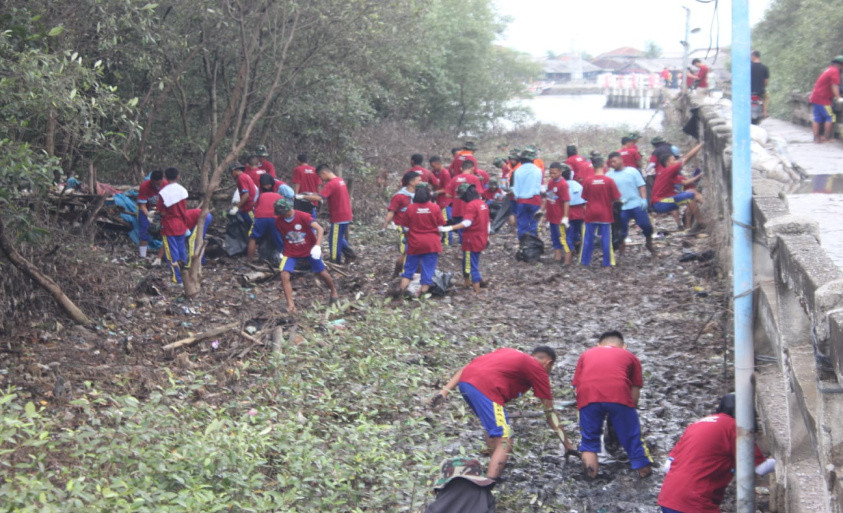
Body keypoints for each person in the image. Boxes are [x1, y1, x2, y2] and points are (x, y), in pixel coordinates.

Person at [433, 346, 577, 480]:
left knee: (493, 429)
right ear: (548, 363)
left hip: (466, 383)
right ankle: (489, 483)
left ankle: (492, 465)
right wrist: (567, 444)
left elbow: (467, 367)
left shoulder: (508, 352)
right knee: (505, 438)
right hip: (486, 388)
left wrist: (444, 392)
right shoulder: (538, 369)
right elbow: (550, 412)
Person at [658, 393, 776, 513]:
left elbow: (668, 466)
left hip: (668, 498)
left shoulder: (695, 425)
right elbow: (761, 468)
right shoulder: (736, 428)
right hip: (695, 502)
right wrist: (784, 463)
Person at [572, 331, 652, 479]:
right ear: (624, 347)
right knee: (632, 437)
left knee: (589, 439)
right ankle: (644, 472)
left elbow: (576, 386)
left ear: (598, 345)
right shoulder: (630, 357)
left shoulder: (586, 354)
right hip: (618, 395)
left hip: (588, 396)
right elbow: (634, 392)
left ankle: (590, 476)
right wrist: (628, 411)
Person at [273, 197, 338, 313]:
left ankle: (333, 290)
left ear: (289, 209)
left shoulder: (303, 216)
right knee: (284, 274)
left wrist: (317, 246)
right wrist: (281, 251)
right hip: (291, 251)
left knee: (322, 272)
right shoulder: (279, 221)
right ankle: (291, 305)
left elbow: (320, 229)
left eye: (284, 213)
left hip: (309, 249)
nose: (283, 216)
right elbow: (282, 236)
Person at [299, 165, 354, 264]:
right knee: (339, 237)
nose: (321, 179)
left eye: (320, 176)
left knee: (334, 241)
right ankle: (350, 254)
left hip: (339, 216)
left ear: (324, 173)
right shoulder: (340, 180)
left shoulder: (331, 184)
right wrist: (310, 195)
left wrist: (303, 196)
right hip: (346, 214)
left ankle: (335, 261)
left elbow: (320, 198)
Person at [441, 183, 489, 293]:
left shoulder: (471, 205)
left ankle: (476, 289)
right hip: (481, 238)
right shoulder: (483, 204)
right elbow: (487, 223)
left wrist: (449, 228)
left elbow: (467, 222)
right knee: (472, 261)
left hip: (471, 240)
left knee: (470, 264)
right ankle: (467, 283)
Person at [606, 152, 655, 258]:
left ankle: (649, 242)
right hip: (621, 207)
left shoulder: (632, 171)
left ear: (621, 160)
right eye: (611, 162)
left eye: (614, 161)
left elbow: (641, 186)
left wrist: (644, 199)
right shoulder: (609, 175)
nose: (613, 164)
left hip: (636, 204)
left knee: (646, 225)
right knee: (621, 231)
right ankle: (622, 251)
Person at [400, 186, 444, 297]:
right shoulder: (435, 208)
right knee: (428, 269)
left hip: (415, 243)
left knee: (409, 269)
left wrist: (408, 236)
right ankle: (423, 295)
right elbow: (440, 225)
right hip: (431, 243)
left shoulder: (410, 208)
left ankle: (401, 292)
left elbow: (405, 227)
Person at [651, 143, 704, 230]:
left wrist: (699, 176)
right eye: (673, 159)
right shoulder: (668, 170)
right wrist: (702, 144)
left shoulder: (669, 174)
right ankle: (702, 222)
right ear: (668, 163)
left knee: (691, 194)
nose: (676, 161)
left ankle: (692, 225)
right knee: (690, 196)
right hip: (661, 203)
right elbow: (686, 158)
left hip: (661, 202)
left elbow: (684, 182)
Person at [580, 156, 620, 267]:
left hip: (591, 213)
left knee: (588, 239)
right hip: (605, 214)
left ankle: (585, 262)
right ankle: (606, 263)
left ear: (593, 166)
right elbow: (616, 197)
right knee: (606, 240)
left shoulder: (588, 181)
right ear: (603, 166)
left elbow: (584, 197)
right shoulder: (609, 181)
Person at [382, 171, 421, 276]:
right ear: (412, 182)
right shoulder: (399, 197)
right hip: (403, 228)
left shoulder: (421, 194)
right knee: (407, 253)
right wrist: (384, 225)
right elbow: (391, 211)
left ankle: (409, 275)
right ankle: (403, 275)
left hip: (417, 228)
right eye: (419, 180)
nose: (421, 182)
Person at [157, 167, 190, 285]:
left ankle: (177, 279)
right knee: (182, 250)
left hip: (169, 225)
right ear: (178, 176)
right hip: (181, 224)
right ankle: (185, 276)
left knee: (171, 252)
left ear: (165, 177)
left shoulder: (163, 192)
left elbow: (161, 211)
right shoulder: (183, 190)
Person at [246, 174, 285, 262]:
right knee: (279, 239)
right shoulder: (279, 196)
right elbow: (283, 210)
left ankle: (249, 260)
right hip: (275, 218)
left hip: (260, 218)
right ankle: (285, 258)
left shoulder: (261, 196)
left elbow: (255, 207)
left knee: (253, 238)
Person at [446, 160, 483, 242]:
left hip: (457, 208)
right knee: (470, 230)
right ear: (472, 168)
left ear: (461, 168)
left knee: (461, 230)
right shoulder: (474, 178)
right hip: (470, 208)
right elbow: (479, 194)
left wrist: (456, 197)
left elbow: (447, 194)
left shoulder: (454, 179)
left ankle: (463, 245)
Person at [809, 55, 843, 143]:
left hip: (816, 97)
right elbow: (834, 85)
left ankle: (816, 138)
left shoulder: (829, 69)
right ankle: (826, 137)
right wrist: (838, 98)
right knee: (831, 117)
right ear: (840, 65)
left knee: (817, 117)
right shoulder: (835, 71)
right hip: (823, 98)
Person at [136, 169, 167, 260]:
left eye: (159, 184)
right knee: (144, 230)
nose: (157, 186)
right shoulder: (145, 186)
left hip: (161, 210)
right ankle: (142, 256)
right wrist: (149, 215)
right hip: (147, 209)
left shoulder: (166, 185)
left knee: (165, 231)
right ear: (151, 181)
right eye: (155, 184)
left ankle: (163, 256)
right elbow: (142, 205)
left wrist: (161, 214)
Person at [512, 147, 543, 239]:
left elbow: (516, 190)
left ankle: (523, 246)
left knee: (522, 225)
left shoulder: (517, 171)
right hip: (535, 200)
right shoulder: (538, 170)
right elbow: (539, 186)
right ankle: (533, 247)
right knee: (534, 224)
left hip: (521, 201)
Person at [544, 163, 571, 264]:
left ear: (560, 172)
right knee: (554, 238)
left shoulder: (563, 184)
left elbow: (566, 201)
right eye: (550, 173)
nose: (552, 175)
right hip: (552, 216)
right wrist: (543, 211)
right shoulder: (551, 182)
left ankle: (567, 261)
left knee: (563, 238)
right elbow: (549, 197)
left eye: (554, 173)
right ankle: (557, 258)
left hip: (559, 217)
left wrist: (565, 217)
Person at [430, 156, 453, 246]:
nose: (433, 168)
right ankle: (443, 238)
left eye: (434, 166)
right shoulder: (433, 172)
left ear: (438, 164)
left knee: (445, 220)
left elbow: (447, 189)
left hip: (444, 201)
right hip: (437, 200)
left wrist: (436, 192)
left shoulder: (445, 174)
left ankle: (448, 241)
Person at [228, 161, 258, 230]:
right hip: (247, 208)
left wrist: (236, 207)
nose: (231, 175)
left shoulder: (241, 178)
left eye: (231, 172)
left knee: (254, 229)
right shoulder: (245, 176)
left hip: (250, 209)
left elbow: (246, 195)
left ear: (234, 170)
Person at [563, 166, 586, 254]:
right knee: (576, 231)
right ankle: (577, 246)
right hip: (580, 212)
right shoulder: (577, 185)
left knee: (568, 234)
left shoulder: (561, 185)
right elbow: (584, 201)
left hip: (568, 213)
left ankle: (570, 249)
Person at [750, 50, 770, 119]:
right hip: (760, 91)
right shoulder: (765, 68)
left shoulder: (748, 67)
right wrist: (762, 87)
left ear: (753, 56)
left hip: (749, 91)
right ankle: (764, 112)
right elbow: (766, 81)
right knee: (767, 96)